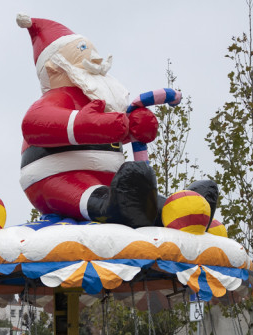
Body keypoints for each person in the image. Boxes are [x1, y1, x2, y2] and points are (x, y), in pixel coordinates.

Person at [16, 14, 218, 227]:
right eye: (82, 51)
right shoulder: (57, 99)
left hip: (112, 179)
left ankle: (182, 211)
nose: (96, 59)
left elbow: (114, 129)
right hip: (60, 177)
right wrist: (85, 124)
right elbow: (34, 124)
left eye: (93, 51)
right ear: (53, 67)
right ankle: (118, 207)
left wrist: (136, 127)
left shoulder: (97, 99)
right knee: (103, 198)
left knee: (132, 192)